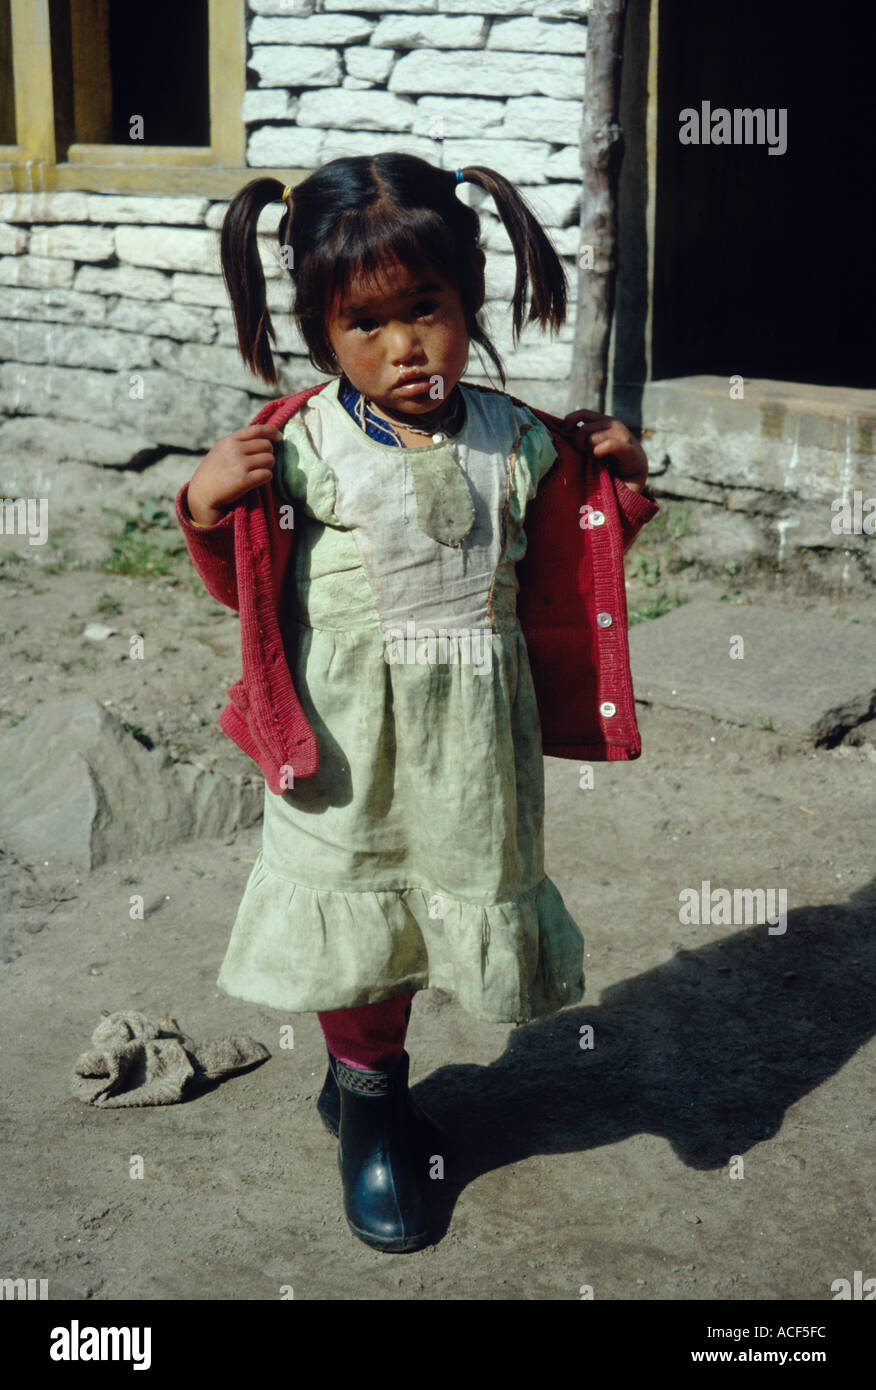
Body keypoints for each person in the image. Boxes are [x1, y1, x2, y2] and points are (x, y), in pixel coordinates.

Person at [177, 154, 656, 1255]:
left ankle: (365, 1085)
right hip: (344, 740)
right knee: (358, 911)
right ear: (319, 332)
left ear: (469, 301)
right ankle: (374, 1102)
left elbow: (570, 563)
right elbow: (243, 578)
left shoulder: (520, 438)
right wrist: (207, 502)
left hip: (473, 739)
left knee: (446, 896)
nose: (403, 347)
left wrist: (623, 481)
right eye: (365, 323)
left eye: (426, 310)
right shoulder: (296, 445)